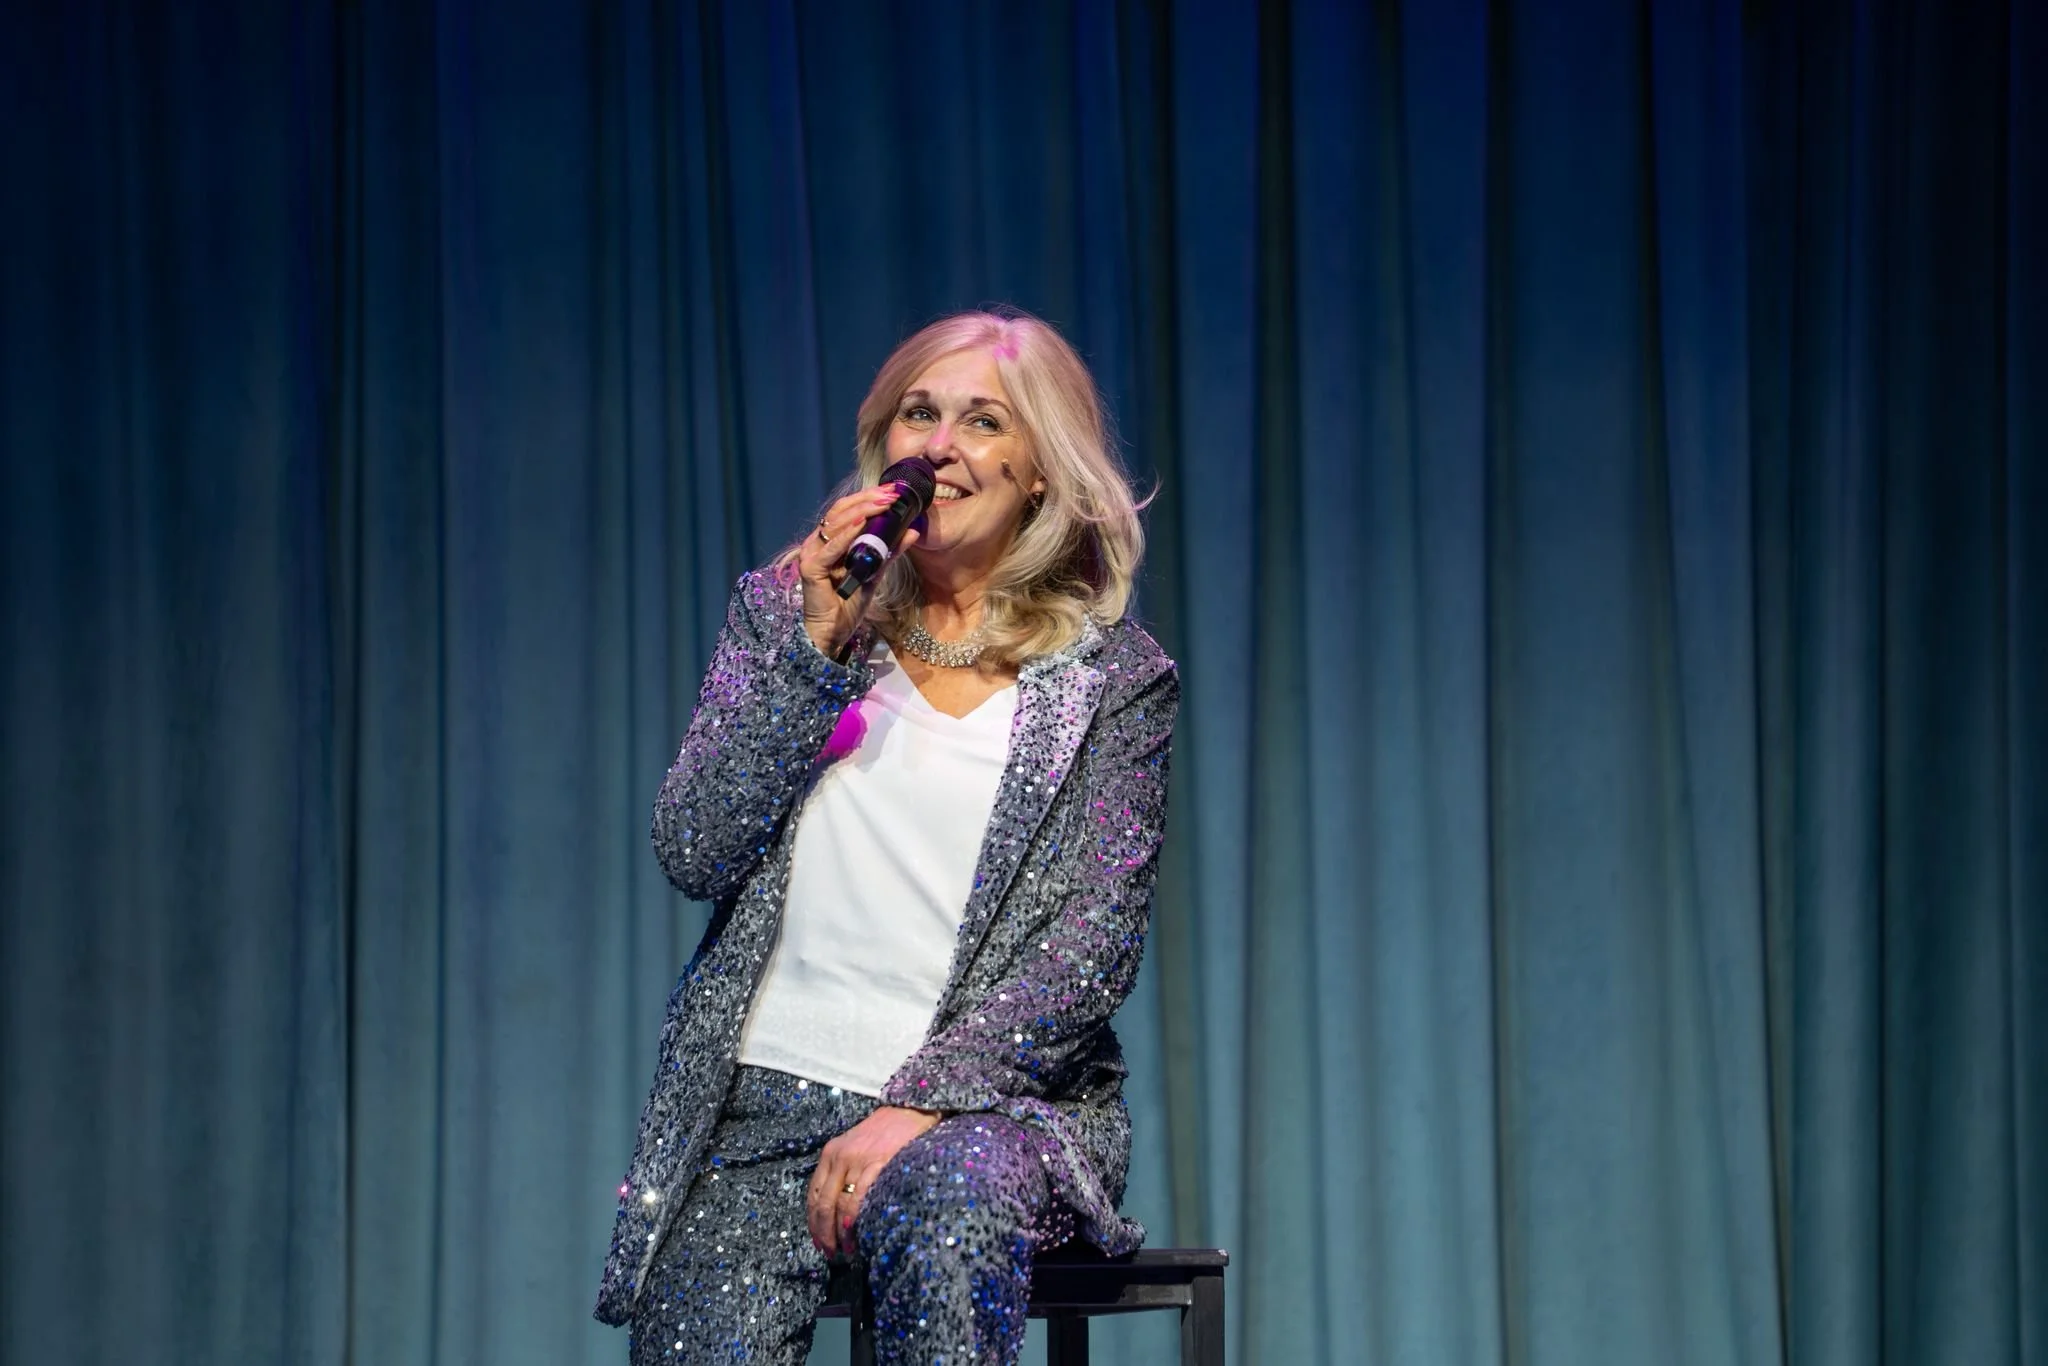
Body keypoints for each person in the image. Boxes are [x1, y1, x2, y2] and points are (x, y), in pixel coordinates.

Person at [593, 309, 1180, 1366]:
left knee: (945, 1208)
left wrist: (918, 1101)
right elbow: (694, 848)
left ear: (1038, 470)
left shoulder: (1109, 680)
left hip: (987, 1114)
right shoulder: (791, 618)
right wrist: (815, 646)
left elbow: (1089, 947)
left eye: (981, 421)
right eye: (920, 413)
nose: (940, 445)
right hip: (763, 1106)